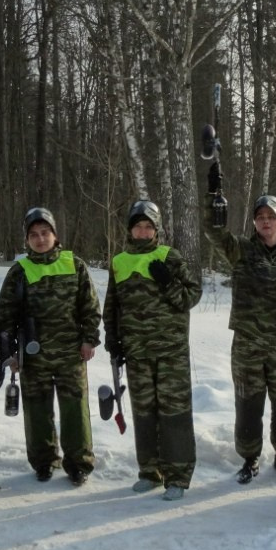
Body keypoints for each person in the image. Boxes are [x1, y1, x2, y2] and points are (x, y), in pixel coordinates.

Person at [0, 206, 101, 486]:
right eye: (34, 235)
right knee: (37, 410)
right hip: (33, 356)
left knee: (75, 410)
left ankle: (78, 464)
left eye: (45, 233)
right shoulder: (19, 271)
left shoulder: (74, 264)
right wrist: (9, 355)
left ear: (55, 235)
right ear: (27, 240)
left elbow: (89, 307)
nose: (40, 239)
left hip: (70, 353)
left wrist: (89, 338)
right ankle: (43, 461)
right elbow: (4, 318)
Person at [103, 199, 202, 500]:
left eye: (148, 227)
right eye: (138, 226)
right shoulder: (119, 262)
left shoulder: (169, 256)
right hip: (137, 353)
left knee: (174, 413)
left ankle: (178, 476)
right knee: (144, 412)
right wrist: (112, 338)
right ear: (130, 229)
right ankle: (150, 471)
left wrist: (168, 282)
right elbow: (112, 306)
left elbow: (191, 296)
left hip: (170, 352)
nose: (143, 232)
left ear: (156, 230)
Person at [205, 192, 276, 484]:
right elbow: (214, 232)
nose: (266, 222)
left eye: (271, 217)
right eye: (261, 217)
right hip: (248, 344)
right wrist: (214, 204)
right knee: (248, 403)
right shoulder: (241, 250)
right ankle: (250, 459)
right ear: (254, 222)